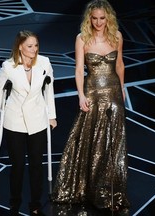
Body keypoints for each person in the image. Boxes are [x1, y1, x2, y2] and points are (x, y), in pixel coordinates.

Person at [52, 0, 129, 214]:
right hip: (92, 92)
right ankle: (87, 189)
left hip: (113, 92)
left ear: (108, 18)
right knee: (90, 140)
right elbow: (78, 70)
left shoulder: (117, 36)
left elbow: (120, 64)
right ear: (89, 17)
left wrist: (122, 88)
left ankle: (109, 191)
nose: (98, 22)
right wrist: (81, 95)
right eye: (94, 18)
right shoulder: (82, 38)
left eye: (102, 18)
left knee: (112, 141)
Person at [0, 30, 57, 216]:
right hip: (15, 121)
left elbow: (49, 89)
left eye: (36, 46)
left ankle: (35, 203)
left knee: (36, 165)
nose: (34, 49)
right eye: (30, 46)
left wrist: (52, 115)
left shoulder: (44, 63)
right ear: (20, 46)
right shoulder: (8, 67)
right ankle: (15, 202)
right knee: (17, 165)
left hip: (37, 120)